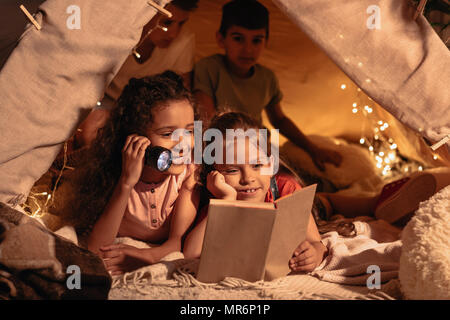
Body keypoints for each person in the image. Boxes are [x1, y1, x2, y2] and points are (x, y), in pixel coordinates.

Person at [193, 0, 342, 172]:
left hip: (260, 148)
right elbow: (207, 122)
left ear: (266, 42)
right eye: (238, 39)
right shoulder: (209, 69)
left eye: (256, 40)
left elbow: (279, 120)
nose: (248, 49)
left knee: (296, 181)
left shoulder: (267, 78)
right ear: (221, 39)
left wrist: (313, 149)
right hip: (224, 149)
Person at [77, 71, 200, 275]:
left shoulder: (188, 175)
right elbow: (96, 248)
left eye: (189, 131)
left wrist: (147, 257)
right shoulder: (115, 172)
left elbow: (176, 242)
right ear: (135, 137)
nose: (183, 144)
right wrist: (126, 182)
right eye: (168, 134)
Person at [183, 111, 328, 273]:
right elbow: (191, 253)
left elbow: (318, 244)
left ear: (271, 165)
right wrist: (226, 200)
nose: (248, 178)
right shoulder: (217, 198)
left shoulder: (287, 189)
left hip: (317, 206)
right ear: (214, 175)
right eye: (232, 170)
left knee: (328, 203)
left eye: (257, 166)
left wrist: (314, 253)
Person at [74, 0, 199, 150]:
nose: (174, 34)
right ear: (147, 14)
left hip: (151, 112)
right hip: (108, 102)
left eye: (182, 24)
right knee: (89, 131)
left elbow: (183, 95)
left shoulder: (183, 41)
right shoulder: (119, 38)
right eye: (167, 23)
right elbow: (87, 86)